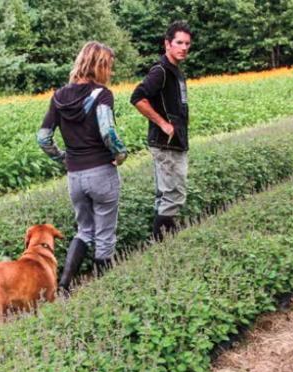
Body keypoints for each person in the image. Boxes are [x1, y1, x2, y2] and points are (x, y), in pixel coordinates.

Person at [38, 41, 129, 294]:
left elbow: (43, 138)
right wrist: (120, 154)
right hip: (101, 172)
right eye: (109, 67)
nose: (110, 73)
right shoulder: (102, 94)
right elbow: (107, 132)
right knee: (105, 235)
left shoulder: (58, 97)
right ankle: (105, 292)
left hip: (75, 177)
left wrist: (63, 159)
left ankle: (64, 286)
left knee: (84, 230)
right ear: (98, 66)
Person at [130, 21, 192, 241]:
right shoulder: (161, 71)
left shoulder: (176, 71)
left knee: (167, 195)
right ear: (167, 43)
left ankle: (165, 243)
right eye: (178, 42)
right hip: (165, 144)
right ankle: (163, 246)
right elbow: (137, 97)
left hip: (175, 143)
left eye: (187, 43)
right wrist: (162, 123)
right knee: (172, 195)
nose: (183, 47)